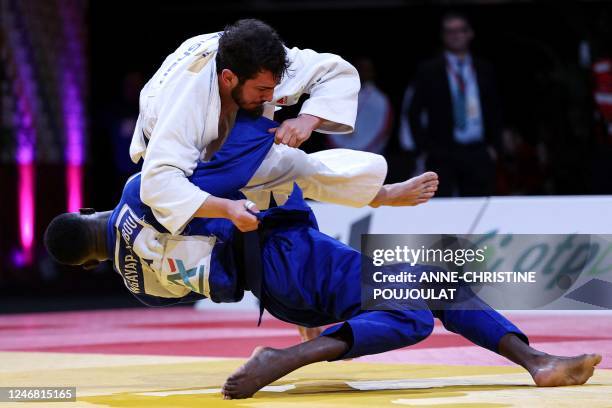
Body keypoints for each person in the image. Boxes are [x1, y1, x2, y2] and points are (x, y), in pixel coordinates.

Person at [45, 113, 601, 400]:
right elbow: (244, 184)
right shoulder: (138, 190)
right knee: (419, 304)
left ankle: (537, 363)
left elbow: (218, 285)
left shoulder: (139, 285)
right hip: (288, 253)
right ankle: (284, 358)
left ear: (88, 263)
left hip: (277, 285)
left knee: (432, 287)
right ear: (89, 212)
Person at [130, 18, 366, 237]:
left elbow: (335, 71)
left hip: (229, 127)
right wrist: (227, 209)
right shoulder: (186, 105)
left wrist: (308, 118)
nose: (271, 96)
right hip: (180, 160)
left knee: (293, 164)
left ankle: (380, 194)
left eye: (273, 87)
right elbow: (157, 184)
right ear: (229, 78)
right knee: (283, 170)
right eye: (262, 89)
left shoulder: (260, 58)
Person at [407, 12, 502, 197]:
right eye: (450, 31)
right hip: (442, 151)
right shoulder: (429, 70)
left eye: (461, 30)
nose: (456, 35)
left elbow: (496, 109)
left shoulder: (484, 68)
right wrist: (424, 148)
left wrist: (494, 147)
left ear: (470, 33)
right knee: (442, 205)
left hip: (478, 150)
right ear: (443, 36)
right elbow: (413, 112)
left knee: (479, 204)